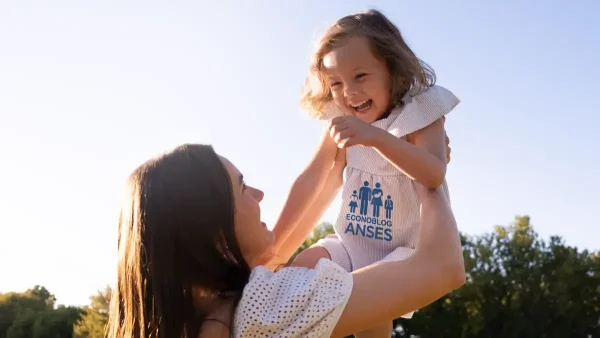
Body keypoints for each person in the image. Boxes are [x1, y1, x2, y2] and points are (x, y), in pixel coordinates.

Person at [106, 143, 464, 338]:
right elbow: (443, 268)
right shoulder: (262, 310)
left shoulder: (172, 319)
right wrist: (426, 174)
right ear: (214, 232)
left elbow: (274, 249)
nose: (259, 194)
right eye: (242, 186)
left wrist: (332, 155)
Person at [270, 9, 461, 337]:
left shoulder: (420, 111)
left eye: (361, 76)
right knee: (299, 272)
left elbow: (433, 173)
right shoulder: (339, 120)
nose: (349, 92)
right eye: (336, 83)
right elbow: (312, 179)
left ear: (391, 68)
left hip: (404, 252)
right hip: (350, 242)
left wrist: (376, 137)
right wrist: (271, 250)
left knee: (367, 312)